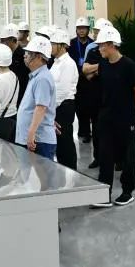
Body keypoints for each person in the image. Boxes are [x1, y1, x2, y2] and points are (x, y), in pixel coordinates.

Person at [91, 27, 135, 208]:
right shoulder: (103, 65)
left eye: (102, 45)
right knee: (105, 156)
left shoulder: (129, 65)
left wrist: (129, 110)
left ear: (112, 45)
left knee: (127, 157)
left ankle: (127, 191)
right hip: (106, 118)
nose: (99, 49)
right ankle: (104, 193)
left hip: (125, 119)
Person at [15, 36, 57, 159]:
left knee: (42, 172)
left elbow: (41, 108)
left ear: (39, 56)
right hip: (35, 138)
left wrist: (31, 134)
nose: (25, 56)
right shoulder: (36, 76)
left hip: (39, 140)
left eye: (28, 53)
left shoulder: (42, 78)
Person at [82, 18, 114, 169]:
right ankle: (98, 157)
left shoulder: (116, 51)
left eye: (98, 32)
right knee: (96, 128)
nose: (95, 35)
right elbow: (86, 71)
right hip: (95, 96)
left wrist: (96, 70)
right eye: (95, 32)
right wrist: (101, 66)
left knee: (113, 129)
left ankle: (117, 159)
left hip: (112, 96)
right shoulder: (93, 50)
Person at [50, 29, 79, 170]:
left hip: (63, 106)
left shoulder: (68, 63)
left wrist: (50, 109)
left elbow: (62, 90)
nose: (50, 47)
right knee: (60, 143)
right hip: (56, 106)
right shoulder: (56, 62)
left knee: (65, 141)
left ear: (62, 46)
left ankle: (71, 171)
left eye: (53, 44)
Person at [69, 16, 93, 143]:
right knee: (79, 107)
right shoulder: (71, 44)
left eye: (84, 28)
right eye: (79, 28)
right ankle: (82, 130)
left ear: (88, 29)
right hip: (75, 80)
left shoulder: (93, 44)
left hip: (89, 80)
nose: (81, 30)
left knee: (88, 106)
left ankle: (87, 132)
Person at [0, 23, 29, 107]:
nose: (2, 43)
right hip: (9, 95)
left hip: (20, 96)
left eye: (4, 41)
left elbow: (24, 80)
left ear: (13, 40)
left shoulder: (23, 56)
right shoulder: (6, 55)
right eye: (1, 41)